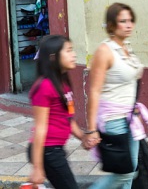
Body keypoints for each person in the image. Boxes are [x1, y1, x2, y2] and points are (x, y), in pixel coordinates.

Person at [85, 2, 144, 189]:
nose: (128, 25)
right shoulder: (105, 51)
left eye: (131, 20)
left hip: (129, 117)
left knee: (130, 171)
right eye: (122, 21)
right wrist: (92, 129)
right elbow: (94, 91)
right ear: (111, 25)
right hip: (113, 119)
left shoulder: (126, 47)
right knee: (124, 173)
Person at [28, 35, 84, 188]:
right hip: (47, 151)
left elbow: (67, 118)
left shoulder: (63, 83)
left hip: (54, 150)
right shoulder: (45, 86)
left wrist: (83, 137)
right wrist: (37, 168)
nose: (74, 55)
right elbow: (40, 128)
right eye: (69, 51)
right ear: (53, 58)